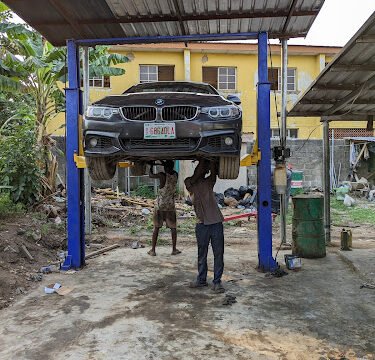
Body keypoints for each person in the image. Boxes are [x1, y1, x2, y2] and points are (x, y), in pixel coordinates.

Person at [185, 159, 225, 293]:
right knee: (202, 254)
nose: (201, 170)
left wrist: (212, 161)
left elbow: (213, 174)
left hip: (216, 222)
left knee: (218, 254)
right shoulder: (189, 182)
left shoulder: (208, 182)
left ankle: (217, 282)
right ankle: (201, 280)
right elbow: (195, 175)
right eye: (199, 168)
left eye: (203, 168)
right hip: (201, 224)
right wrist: (203, 163)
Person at [148, 160, 181, 256]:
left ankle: (153, 250)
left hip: (160, 205)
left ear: (164, 167)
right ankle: (174, 249)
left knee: (157, 228)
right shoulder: (176, 174)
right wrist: (165, 163)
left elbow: (150, 175)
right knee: (173, 228)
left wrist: (151, 165)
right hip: (170, 205)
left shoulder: (162, 175)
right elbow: (169, 169)